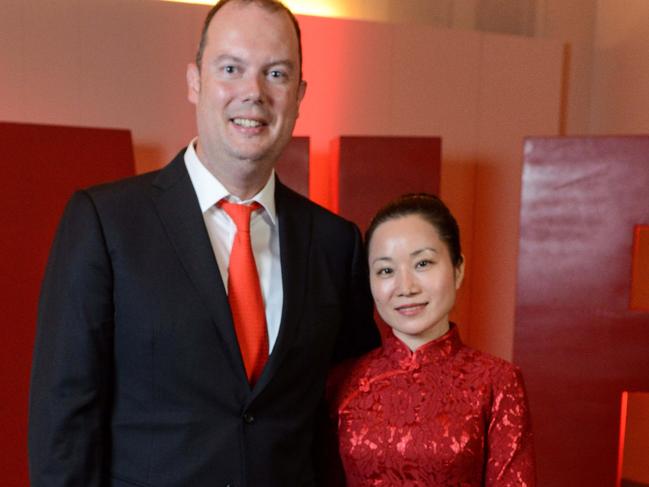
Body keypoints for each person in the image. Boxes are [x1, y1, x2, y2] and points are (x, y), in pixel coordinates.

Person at [28, 1, 379, 485]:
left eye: (275, 73)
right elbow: (65, 423)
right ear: (195, 82)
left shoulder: (336, 244)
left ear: (299, 94)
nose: (252, 94)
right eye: (231, 68)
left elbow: (347, 420)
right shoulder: (106, 223)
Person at [329, 193, 535, 486]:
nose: (406, 287)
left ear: (458, 269)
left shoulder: (497, 381)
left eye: (423, 263)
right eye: (386, 270)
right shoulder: (342, 382)